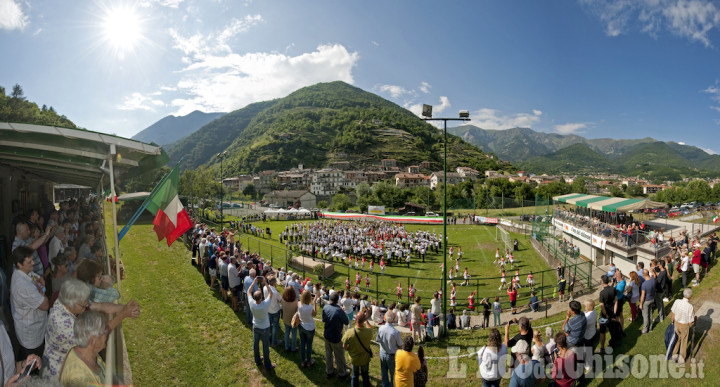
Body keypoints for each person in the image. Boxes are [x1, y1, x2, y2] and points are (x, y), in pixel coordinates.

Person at [42, 279, 140, 380]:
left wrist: (125, 308)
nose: (86, 306)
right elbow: (101, 334)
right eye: (83, 305)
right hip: (59, 373)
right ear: (69, 304)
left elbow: (100, 306)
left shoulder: (68, 300)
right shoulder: (64, 324)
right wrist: (123, 314)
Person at [10, 246, 49, 359]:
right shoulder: (23, 285)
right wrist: (43, 290)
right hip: (31, 334)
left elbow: (40, 279)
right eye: (29, 261)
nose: (33, 263)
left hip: (34, 326)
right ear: (19, 264)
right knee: (31, 361)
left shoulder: (26, 273)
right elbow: (45, 305)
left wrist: (41, 289)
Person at [59, 311, 109, 386]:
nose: (106, 334)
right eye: (105, 331)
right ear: (93, 340)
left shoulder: (82, 350)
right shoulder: (80, 378)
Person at [247, 275, 276, 371]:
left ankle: (258, 360)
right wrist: (265, 282)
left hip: (255, 327)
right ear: (261, 297)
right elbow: (271, 293)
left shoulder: (251, 303)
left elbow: (248, 292)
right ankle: (267, 365)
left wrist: (254, 282)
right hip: (265, 328)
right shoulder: (265, 304)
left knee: (255, 344)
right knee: (265, 346)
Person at [342, 311, 373, 387]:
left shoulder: (349, 332)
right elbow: (371, 328)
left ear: (355, 320)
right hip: (365, 359)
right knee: (365, 375)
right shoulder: (368, 332)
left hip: (354, 359)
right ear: (364, 321)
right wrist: (366, 320)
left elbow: (344, 346)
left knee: (355, 376)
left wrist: (348, 349)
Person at [322, 292, 349, 379]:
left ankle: (329, 372)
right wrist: (343, 312)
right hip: (336, 337)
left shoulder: (325, 307)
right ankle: (342, 373)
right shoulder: (339, 310)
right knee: (339, 355)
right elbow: (347, 322)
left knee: (328, 354)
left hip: (327, 335)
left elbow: (323, 319)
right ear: (337, 300)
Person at [377, 309, 403, 387]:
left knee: (384, 371)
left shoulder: (380, 329)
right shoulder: (395, 332)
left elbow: (378, 340)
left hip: (382, 353)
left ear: (384, 318)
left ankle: (385, 385)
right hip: (392, 355)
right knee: (393, 374)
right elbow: (400, 345)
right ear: (393, 319)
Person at [670, 288, 696, 364]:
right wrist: (695, 319)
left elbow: (673, 313)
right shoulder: (690, 306)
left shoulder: (677, 301)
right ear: (690, 296)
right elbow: (690, 321)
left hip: (677, 323)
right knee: (684, 342)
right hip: (684, 325)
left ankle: (674, 356)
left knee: (677, 339)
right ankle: (681, 359)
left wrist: (672, 321)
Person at [297, 290, 318, 368]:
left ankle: (303, 361)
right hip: (309, 328)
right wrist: (314, 303)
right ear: (309, 298)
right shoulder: (310, 307)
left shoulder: (299, 304)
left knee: (302, 344)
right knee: (309, 345)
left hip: (302, 326)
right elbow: (315, 314)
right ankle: (308, 361)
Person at [598, 274, 618, 352]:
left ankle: (602, 348)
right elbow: (616, 301)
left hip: (605, 314)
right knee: (612, 329)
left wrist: (605, 314)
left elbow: (602, 306)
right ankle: (613, 344)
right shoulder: (613, 289)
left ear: (602, 282)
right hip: (612, 312)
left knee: (602, 332)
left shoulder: (602, 293)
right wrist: (615, 313)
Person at [264, 276, 283, 347]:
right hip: (275, 310)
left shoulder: (264, 288)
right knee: (275, 326)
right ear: (274, 283)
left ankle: (267, 338)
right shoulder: (275, 292)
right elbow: (281, 300)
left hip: (268, 309)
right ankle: (274, 342)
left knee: (268, 325)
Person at [280, 287, 298, 352]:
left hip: (286, 319)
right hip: (294, 321)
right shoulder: (296, 302)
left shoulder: (282, 300)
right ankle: (293, 348)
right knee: (294, 334)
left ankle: (286, 346)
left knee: (286, 333)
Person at [583, 299, 598, 373]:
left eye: (585, 306)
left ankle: (588, 364)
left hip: (587, 335)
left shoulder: (587, 318)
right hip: (593, 332)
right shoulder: (594, 312)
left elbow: (583, 325)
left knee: (587, 350)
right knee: (591, 348)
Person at [639, 269, 656, 335]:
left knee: (645, 316)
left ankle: (645, 330)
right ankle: (650, 327)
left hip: (646, 301)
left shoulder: (644, 284)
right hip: (652, 299)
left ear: (643, 275)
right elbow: (654, 275)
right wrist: (653, 271)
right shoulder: (653, 279)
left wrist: (640, 304)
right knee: (650, 313)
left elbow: (642, 296)